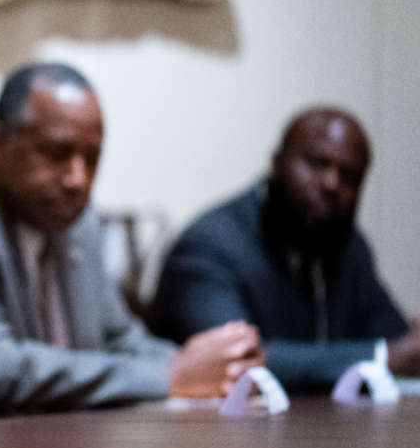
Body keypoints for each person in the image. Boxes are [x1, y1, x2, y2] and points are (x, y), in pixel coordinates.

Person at [0, 63, 263, 423]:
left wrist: (219, 367)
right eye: (57, 153)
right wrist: (170, 374)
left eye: (92, 158)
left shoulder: (79, 223)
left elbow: (121, 339)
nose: (78, 179)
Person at [150, 106, 420, 390]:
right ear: (276, 163)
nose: (332, 183)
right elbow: (236, 362)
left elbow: (401, 342)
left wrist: (407, 349)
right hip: (210, 432)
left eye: (350, 176)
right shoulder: (209, 246)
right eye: (317, 164)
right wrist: (384, 358)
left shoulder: (347, 245)